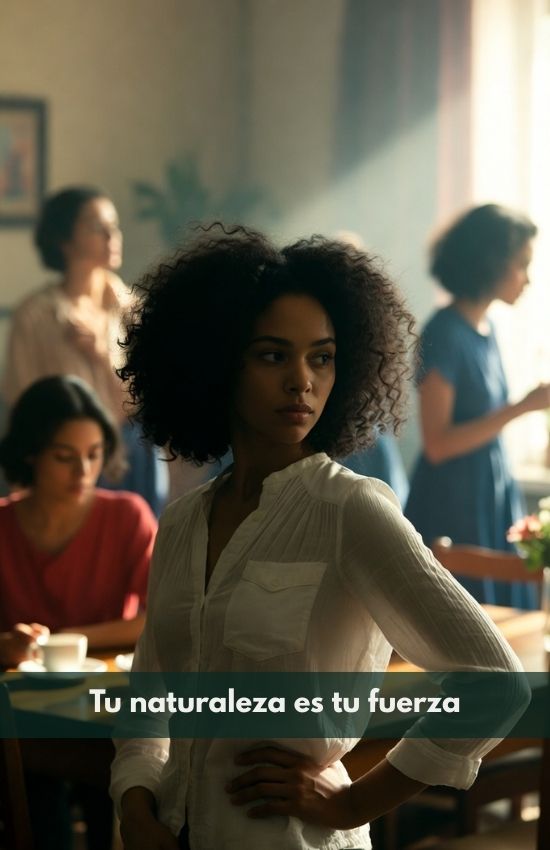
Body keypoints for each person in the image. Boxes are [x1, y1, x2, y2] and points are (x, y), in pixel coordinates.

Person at [110, 225, 528, 850]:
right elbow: (150, 699)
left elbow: (495, 682)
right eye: (273, 354)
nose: (302, 380)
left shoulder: (350, 510)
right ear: (218, 361)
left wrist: (356, 799)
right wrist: (137, 805)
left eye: (322, 357)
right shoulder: (184, 521)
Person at [405, 204, 550, 608]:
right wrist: (521, 407)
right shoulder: (445, 333)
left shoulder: (486, 330)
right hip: (454, 502)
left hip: (487, 491)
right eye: (521, 265)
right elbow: (437, 443)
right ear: (491, 264)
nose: (528, 278)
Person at [2, 185, 168, 515]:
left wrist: (101, 355)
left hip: (131, 456)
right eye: (96, 226)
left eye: (114, 225)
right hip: (64, 461)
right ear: (64, 240)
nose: (111, 235)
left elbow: (146, 399)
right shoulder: (35, 316)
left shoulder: (130, 309)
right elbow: (24, 405)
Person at [0, 374, 157, 669]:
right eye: (64, 456)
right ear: (31, 455)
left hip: (108, 689)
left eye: (94, 454)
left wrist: (65, 639)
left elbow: (168, 615)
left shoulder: (127, 517)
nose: (83, 471)